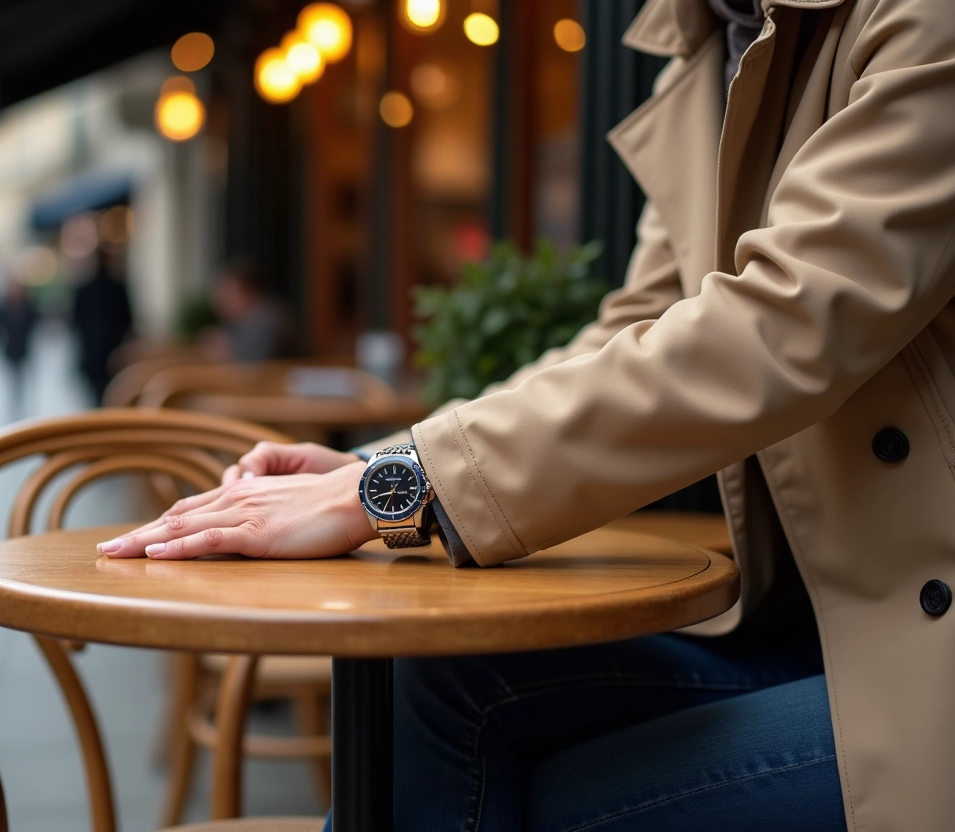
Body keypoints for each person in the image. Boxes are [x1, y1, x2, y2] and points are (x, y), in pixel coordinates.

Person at [98, 0, 955, 828]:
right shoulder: (711, 42)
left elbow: (785, 322)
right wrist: (383, 468)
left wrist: (407, 484)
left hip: (920, 662)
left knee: (542, 802)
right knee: (426, 677)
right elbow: (635, 326)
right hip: (822, 631)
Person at [72, 247, 134, 404]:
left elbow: (75, 323)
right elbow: (128, 322)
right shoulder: (118, 288)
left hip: (95, 356)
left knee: (95, 399)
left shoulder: (84, 290)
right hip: (112, 355)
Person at [201, 259, 296, 362]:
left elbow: (256, 363)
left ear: (248, 291)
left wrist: (225, 350)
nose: (220, 300)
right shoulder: (241, 320)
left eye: (228, 293)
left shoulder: (268, 318)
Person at [0, 279, 36, 418]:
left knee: (21, 376)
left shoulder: (27, 307)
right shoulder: (4, 308)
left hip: (22, 348)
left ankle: (20, 399)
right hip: (10, 348)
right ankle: (14, 399)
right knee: (12, 376)